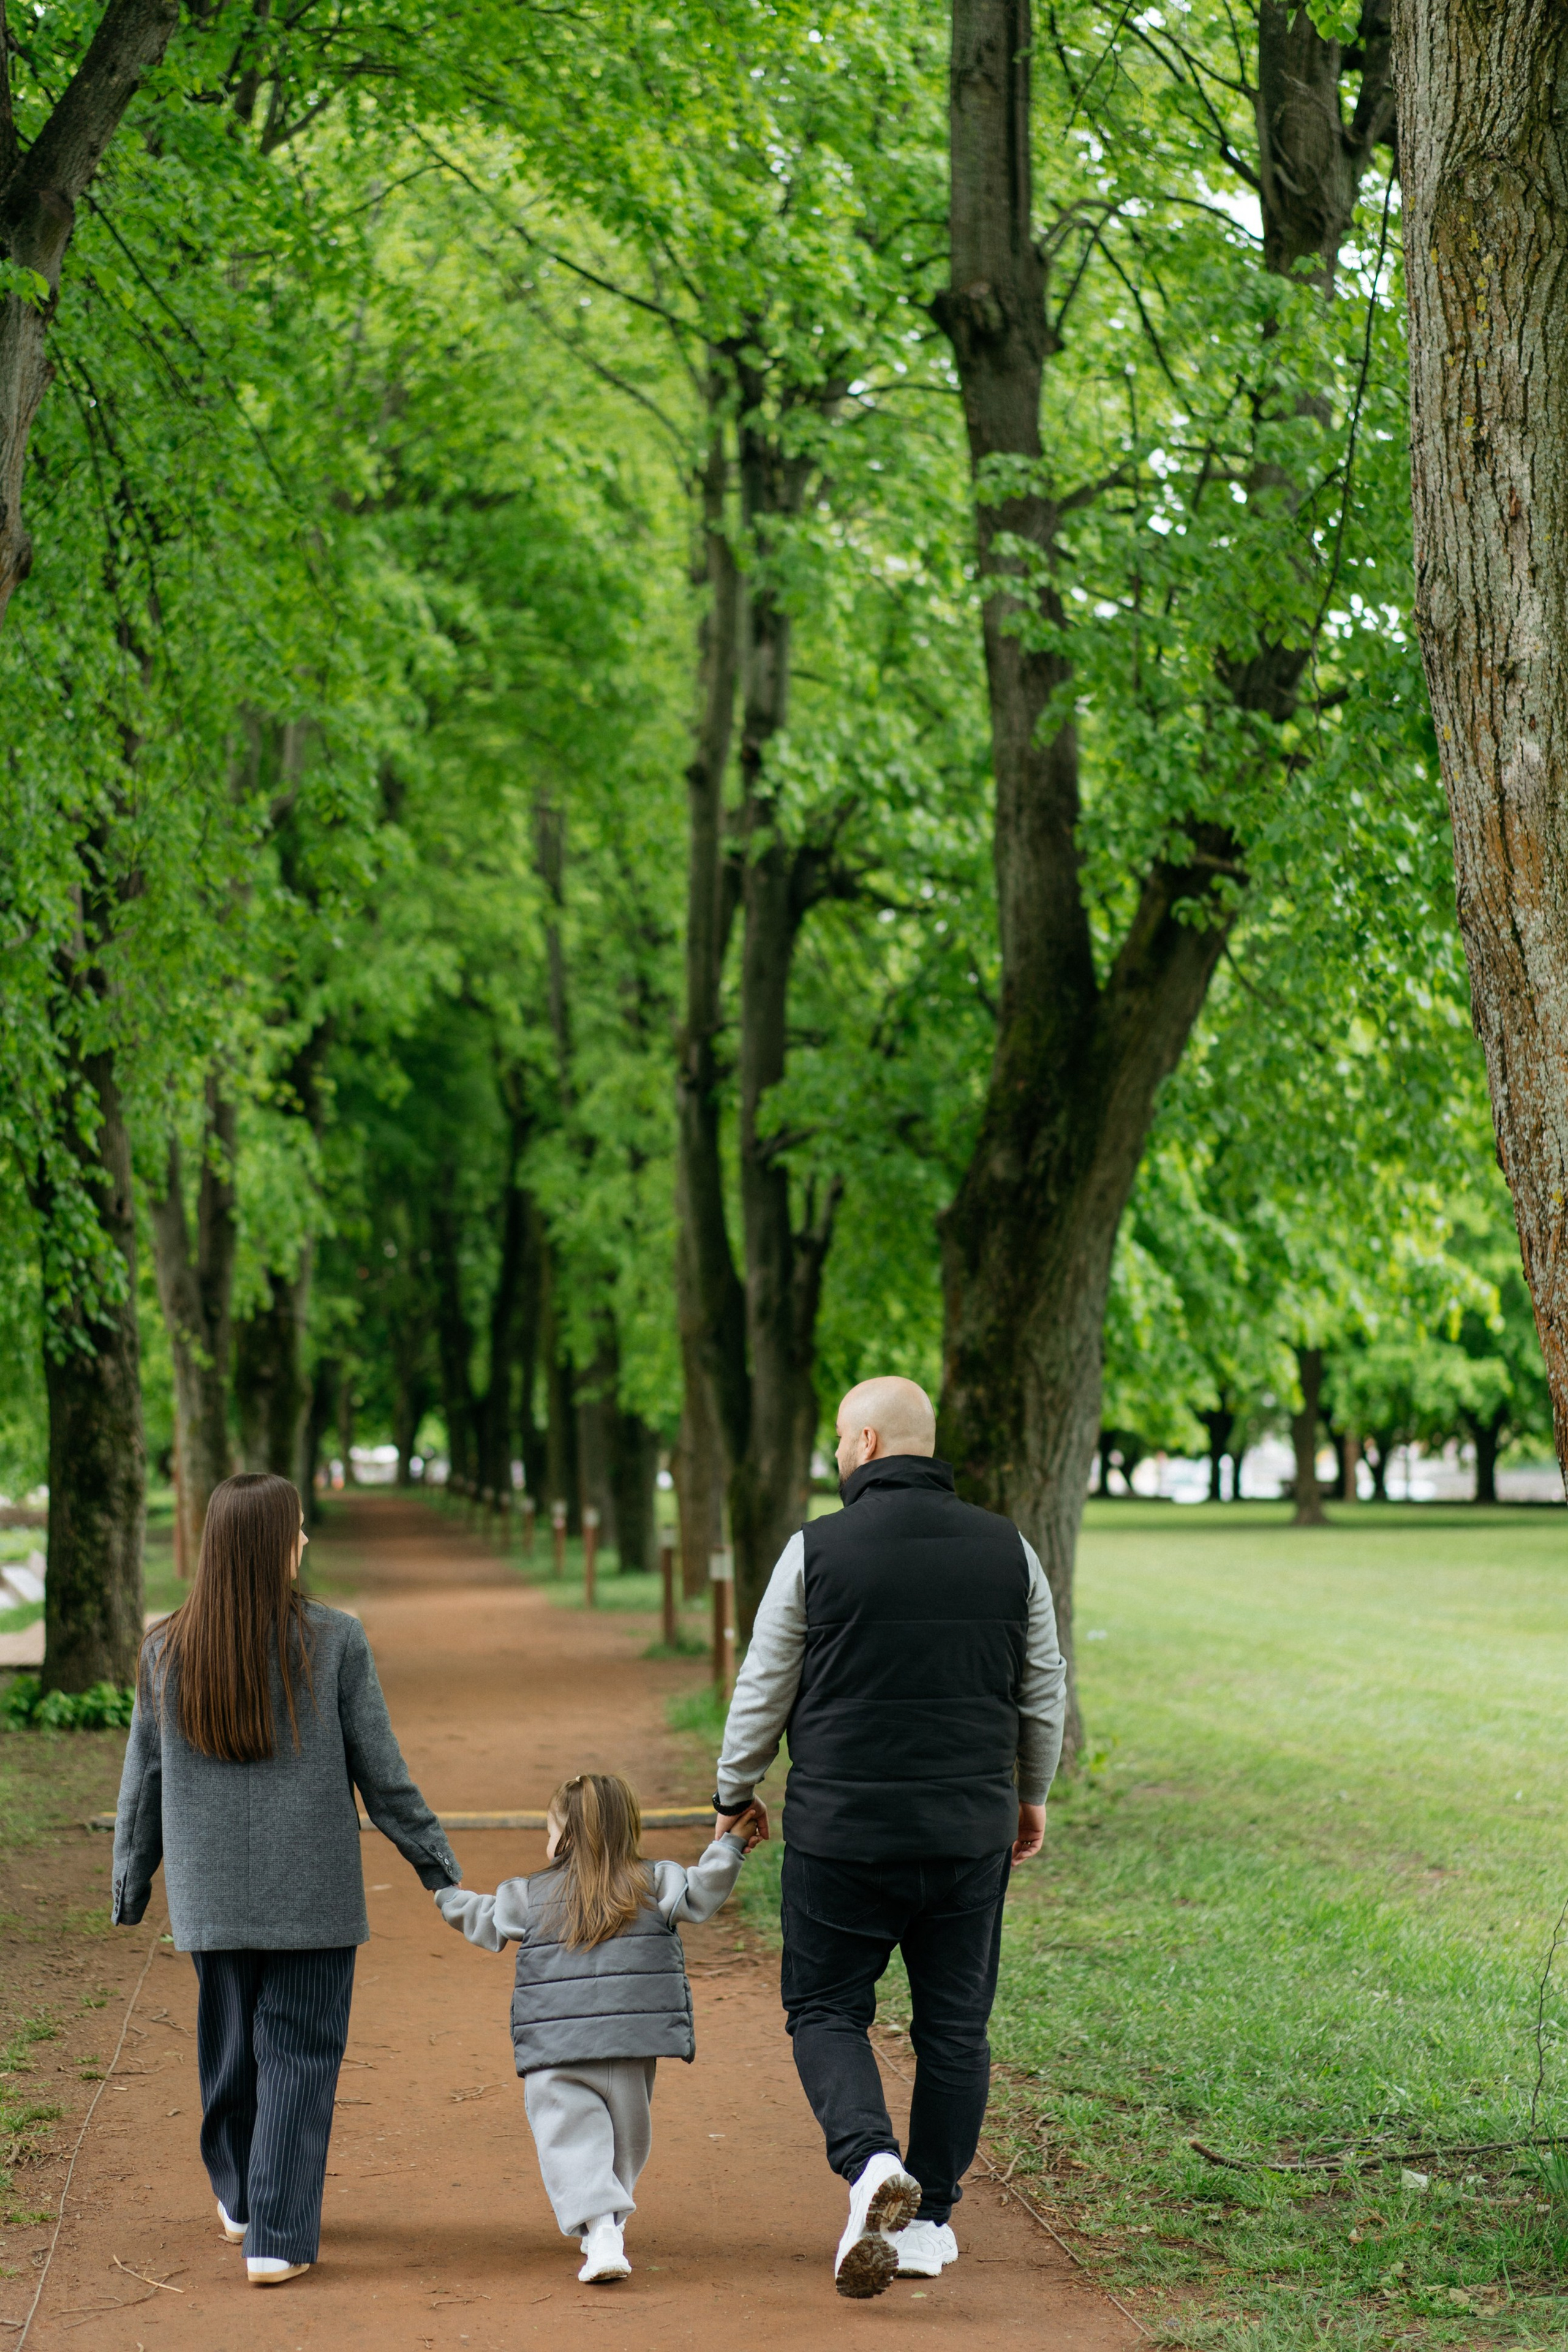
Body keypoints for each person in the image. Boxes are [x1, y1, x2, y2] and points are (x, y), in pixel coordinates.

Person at [712, 1374, 1067, 2299]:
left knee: (827, 2008)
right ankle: (935, 2220)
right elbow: (1042, 1687)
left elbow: (764, 1684)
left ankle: (872, 2165)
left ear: (867, 1444)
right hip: (967, 1831)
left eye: (839, 1440)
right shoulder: (1010, 1550)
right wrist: (1032, 1793)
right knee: (956, 2025)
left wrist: (732, 1791)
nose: (835, 1457)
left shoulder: (814, 1551)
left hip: (842, 1833)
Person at [111, 1472, 459, 2290]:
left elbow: (143, 1781)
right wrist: (434, 1862)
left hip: (210, 1894)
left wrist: (131, 1882)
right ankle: (277, 2234)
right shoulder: (334, 1638)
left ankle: (240, 2195)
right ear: (274, 1543)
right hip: (313, 1895)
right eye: (297, 1529)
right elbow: (384, 1771)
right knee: (298, 2055)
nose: (305, 1541)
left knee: (230, 2052)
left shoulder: (166, 1647)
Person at [434, 1770, 758, 2283]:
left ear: (562, 1837)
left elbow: (484, 1919)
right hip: (631, 2047)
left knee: (568, 2138)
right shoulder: (655, 1882)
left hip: (556, 2050)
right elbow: (706, 1888)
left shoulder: (528, 1896)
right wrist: (734, 1843)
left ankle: (600, 2227)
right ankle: (608, 2224)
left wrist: (443, 1891)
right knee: (625, 2142)